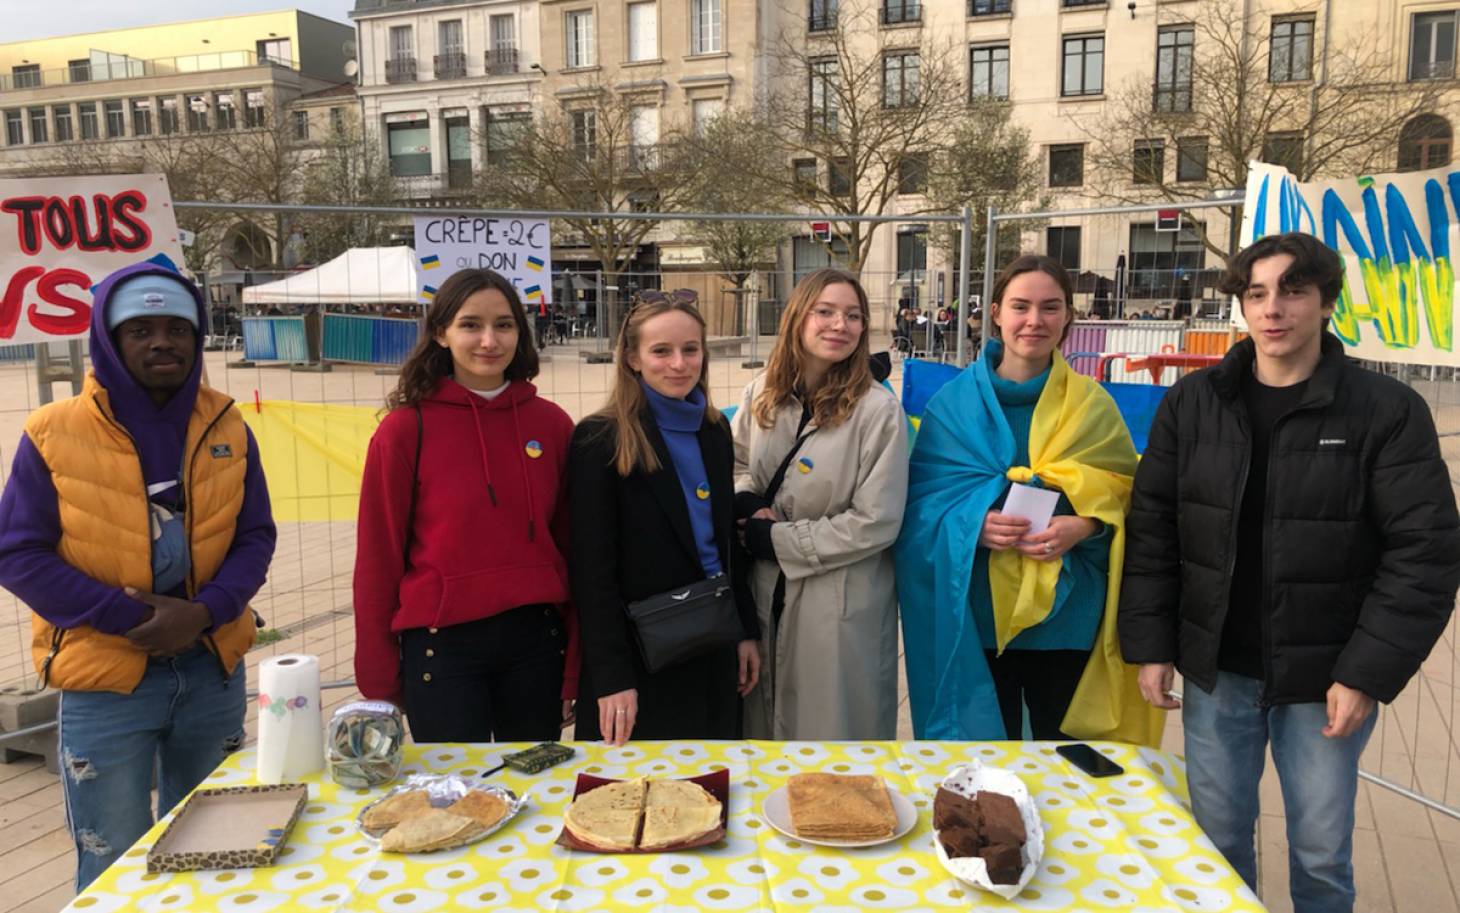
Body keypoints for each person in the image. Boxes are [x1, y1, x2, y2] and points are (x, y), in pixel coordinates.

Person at [1119, 232, 1460, 913]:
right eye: (1256, 293)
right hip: (1219, 672)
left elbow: (1423, 552)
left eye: (1293, 290)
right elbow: (1153, 528)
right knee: (1217, 843)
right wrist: (1152, 644)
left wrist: (1364, 671)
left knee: (1321, 854)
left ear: (1327, 302)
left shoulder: (1385, 412)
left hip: (1323, 678)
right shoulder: (1195, 402)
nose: (1273, 308)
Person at [0, 260, 276, 891]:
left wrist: (204, 613)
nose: (161, 342)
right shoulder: (53, 433)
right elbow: (18, 553)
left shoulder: (226, 424)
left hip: (212, 670)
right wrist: (136, 621)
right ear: (109, 339)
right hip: (105, 680)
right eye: (140, 329)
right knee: (112, 860)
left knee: (217, 846)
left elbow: (255, 535)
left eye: (177, 327)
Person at [897, 255, 1159, 745]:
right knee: (984, 774)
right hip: (978, 624)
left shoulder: (1093, 405)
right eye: (1021, 306)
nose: (1034, 321)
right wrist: (973, 526)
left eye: (1050, 307)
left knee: (1068, 771)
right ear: (995, 312)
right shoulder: (951, 406)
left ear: (1067, 318)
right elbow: (917, 509)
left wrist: (1087, 527)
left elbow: (1131, 498)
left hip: (1070, 620)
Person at [353, 268, 578, 743]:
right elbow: (378, 558)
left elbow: (574, 549)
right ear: (441, 333)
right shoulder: (404, 431)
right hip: (442, 649)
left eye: (504, 324)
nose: (489, 340)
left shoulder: (553, 425)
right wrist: (377, 677)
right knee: (454, 803)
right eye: (471, 324)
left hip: (535, 644)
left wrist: (576, 659)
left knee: (535, 792)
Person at [568, 290, 760, 745]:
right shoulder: (600, 440)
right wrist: (611, 675)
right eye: (661, 351)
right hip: (641, 654)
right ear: (632, 358)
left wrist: (745, 630)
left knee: (711, 789)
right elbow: (592, 573)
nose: (679, 364)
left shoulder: (713, 430)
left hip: (711, 642)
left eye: (690, 349)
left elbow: (724, 549)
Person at [731, 268, 908, 740]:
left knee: (831, 734)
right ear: (797, 318)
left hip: (838, 599)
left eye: (853, 316)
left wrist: (780, 540)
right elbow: (737, 462)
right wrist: (747, 497)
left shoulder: (877, 411)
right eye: (825, 311)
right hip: (766, 589)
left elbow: (877, 521)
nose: (840, 325)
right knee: (762, 730)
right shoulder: (762, 394)